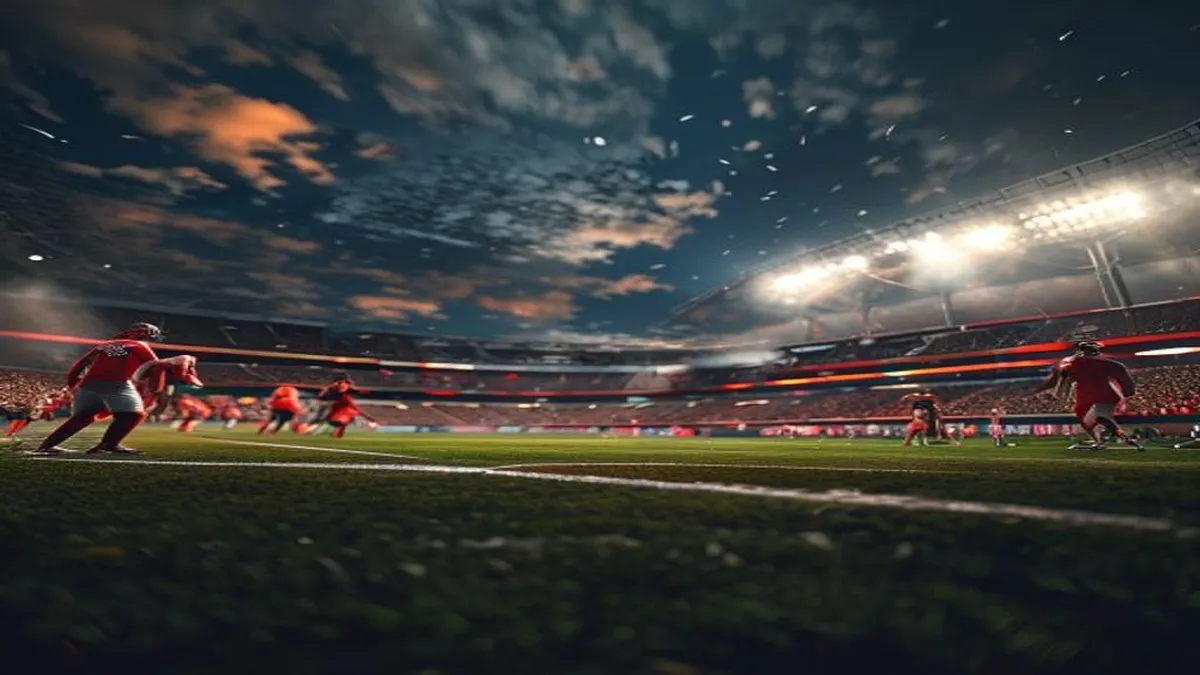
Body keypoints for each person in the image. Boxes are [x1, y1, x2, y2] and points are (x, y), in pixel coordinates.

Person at [33, 323, 194, 455]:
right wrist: (156, 389)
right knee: (134, 414)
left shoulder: (104, 345)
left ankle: (46, 446)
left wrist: (72, 383)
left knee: (83, 417)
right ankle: (108, 445)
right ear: (146, 335)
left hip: (88, 384)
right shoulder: (140, 346)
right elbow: (156, 367)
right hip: (115, 384)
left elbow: (81, 364)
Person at [1033, 340, 1142, 451]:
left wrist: (1058, 395)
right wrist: (1058, 395)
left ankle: (1111, 441)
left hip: (1099, 394)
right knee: (1091, 420)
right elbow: (1066, 381)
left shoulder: (1075, 364)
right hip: (1090, 395)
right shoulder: (1102, 364)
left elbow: (1065, 381)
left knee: (1099, 418)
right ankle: (1111, 441)